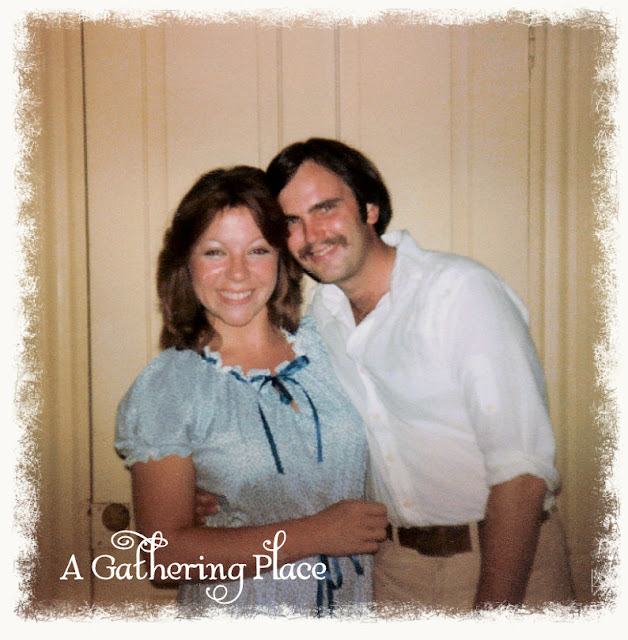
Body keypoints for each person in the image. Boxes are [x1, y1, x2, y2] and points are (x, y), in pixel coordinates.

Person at [260, 137, 576, 612]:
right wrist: (214, 490)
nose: (312, 234)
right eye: (292, 221)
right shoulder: (320, 321)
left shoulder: (459, 292)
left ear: (369, 208)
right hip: (394, 571)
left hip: (504, 562)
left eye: (326, 208)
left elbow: (522, 472)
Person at [115, 165, 387, 617]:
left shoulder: (332, 344)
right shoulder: (170, 387)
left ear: (283, 258)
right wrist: (317, 533)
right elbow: (164, 558)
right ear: (185, 262)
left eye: (258, 250)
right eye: (215, 252)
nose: (237, 274)